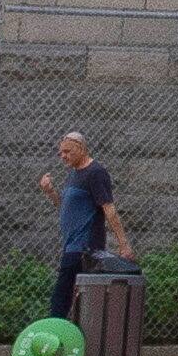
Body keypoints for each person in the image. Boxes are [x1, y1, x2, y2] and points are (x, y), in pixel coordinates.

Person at [47, 130, 132, 325]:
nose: (63, 156)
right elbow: (65, 207)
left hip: (85, 248)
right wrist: (50, 191)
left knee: (60, 300)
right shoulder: (73, 174)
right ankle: (69, 335)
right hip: (71, 246)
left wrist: (123, 244)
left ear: (81, 148)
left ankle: (54, 336)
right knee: (70, 299)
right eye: (61, 153)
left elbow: (109, 209)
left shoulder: (96, 173)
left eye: (67, 151)